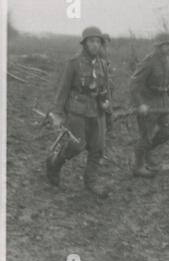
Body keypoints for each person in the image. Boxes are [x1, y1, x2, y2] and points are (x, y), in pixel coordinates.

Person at [46, 26, 111, 198]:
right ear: (84, 44)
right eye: (91, 41)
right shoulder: (74, 63)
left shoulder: (103, 64)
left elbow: (106, 89)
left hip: (97, 111)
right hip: (77, 111)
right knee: (76, 146)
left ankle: (90, 182)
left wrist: (107, 108)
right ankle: (54, 163)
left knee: (97, 148)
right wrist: (57, 113)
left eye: (98, 41)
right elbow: (63, 89)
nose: (95, 45)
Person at [129, 32, 169, 178]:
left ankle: (145, 153)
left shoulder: (168, 61)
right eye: (165, 45)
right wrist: (140, 104)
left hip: (162, 101)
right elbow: (134, 84)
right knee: (145, 136)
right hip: (148, 101)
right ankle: (138, 167)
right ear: (158, 46)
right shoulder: (149, 61)